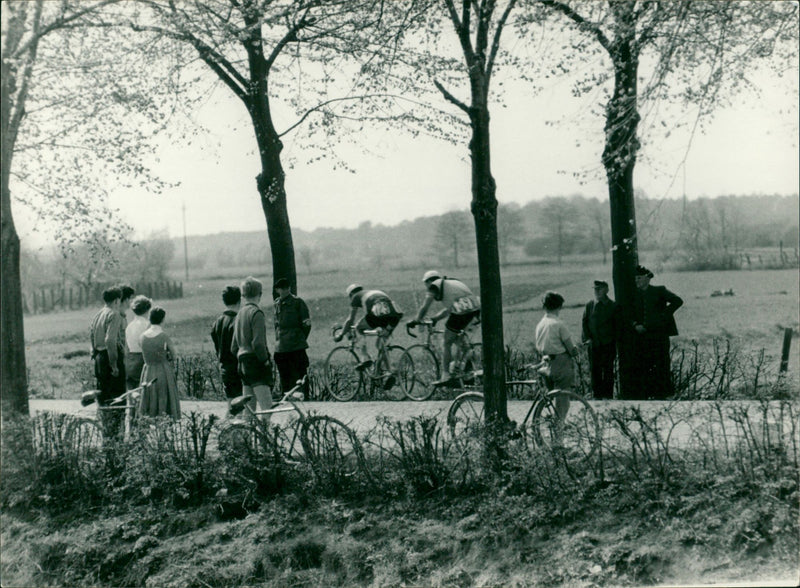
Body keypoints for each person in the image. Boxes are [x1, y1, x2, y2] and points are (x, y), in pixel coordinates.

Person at [408, 270, 481, 386]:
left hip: (462, 310)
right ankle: (467, 372)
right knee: (460, 341)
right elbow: (449, 310)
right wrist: (435, 319)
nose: (426, 287)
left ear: (428, 281)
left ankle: (446, 375)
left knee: (446, 341)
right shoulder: (451, 282)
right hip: (476, 309)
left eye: (425, 284)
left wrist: (416, 320)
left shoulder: (433, 286)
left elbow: (425, 307)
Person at [632, 265, 683, 400]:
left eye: (639, 278)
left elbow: (678, 301)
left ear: (647, 279)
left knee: (661, 363)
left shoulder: (659, 291)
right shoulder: (633, 294)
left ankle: (663, 394)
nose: (636, 281)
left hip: (659, 334)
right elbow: (627, 312)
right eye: (635, 278)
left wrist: (663, 316)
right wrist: (635, 324)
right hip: (642, 336)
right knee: (644, 364)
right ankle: (647, 394)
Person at [334, 284, 403, 374]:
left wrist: (341, 334)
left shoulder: (355, 297)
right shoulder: (372, 292)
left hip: (377, 313)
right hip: (394, 317)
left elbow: (350, 320)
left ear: (351, 294)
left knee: (358, 328)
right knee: (381, 345)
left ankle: (365, 358)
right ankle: (388, 372)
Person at [231, 276, 275, 417]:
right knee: (267, 408)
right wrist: (265, 361)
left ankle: (247, 437)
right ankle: (265, 438)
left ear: (243, 295)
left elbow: (233, 347)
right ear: (260, 294)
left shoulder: (239, 314)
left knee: (249, 410)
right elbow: (258, 344)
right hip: (256, 363)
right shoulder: (257, 313)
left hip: (243, 364)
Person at [534, 291, 579, 421]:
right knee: (563, 399)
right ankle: (559, 428)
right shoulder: (559, 324)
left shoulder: (540, 324)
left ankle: (553, 423)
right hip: (560, 362)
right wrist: (577, 350)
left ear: (545, 306)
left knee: (552, 396)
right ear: (559, 306)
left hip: (545, 363)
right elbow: (571, 349)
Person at [89, 286, 126, 438]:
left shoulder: (99, 313)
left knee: (103, 398)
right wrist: (114, 364)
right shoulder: (114, 314)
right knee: (117, 399)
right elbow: (110, 340)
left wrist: (95, 353)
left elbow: (91, 334)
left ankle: (107, 435)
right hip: (109, 358)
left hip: (99, 357)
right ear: (117, 300)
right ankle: (115, 437)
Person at [138, 306, 181, 419]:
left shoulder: (142, 336)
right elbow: (174, 355)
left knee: (149, 397)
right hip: (163, 370)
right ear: (162, 319)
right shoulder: (163, 336)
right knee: (163, 396)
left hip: (147, 370)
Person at [272, 278, 311, 399]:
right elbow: (276, 325)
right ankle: (287, 400)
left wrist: (299, 338)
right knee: (285, 376)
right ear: (277, 290)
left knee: (300, 376)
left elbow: (307, 324)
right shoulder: (276, 304)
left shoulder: (298, 302)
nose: (285, 290)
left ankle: (305, 400)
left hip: (296, 346)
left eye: (287, 287)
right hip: (281, 347)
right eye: (282, 288)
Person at [582, 280, 618, 399]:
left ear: (607, 290)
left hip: (608, 344)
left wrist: (613, 339)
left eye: (600, 289)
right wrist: (587, 339)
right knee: (594, 371)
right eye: (595, 289)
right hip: (594, 344)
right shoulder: (590, 305)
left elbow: (618, 325)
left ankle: (608, 397)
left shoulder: (613, 305)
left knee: (608, 370)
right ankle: (596, 397)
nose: (597, 291)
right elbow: (585, 322)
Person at [211, 286, 243, 415]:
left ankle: (227, 431)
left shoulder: (218, 322)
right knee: (239, 406)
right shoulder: (237, 320)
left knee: (231, 404)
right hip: (237, 366)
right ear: (239, 300)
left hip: (224, 366)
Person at [125, 295, 152, 391]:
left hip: (130, 358)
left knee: (132, 389)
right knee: (143, 389)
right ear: (147, 309)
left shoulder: (129, 325)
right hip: (142, 358)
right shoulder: (148, 324)